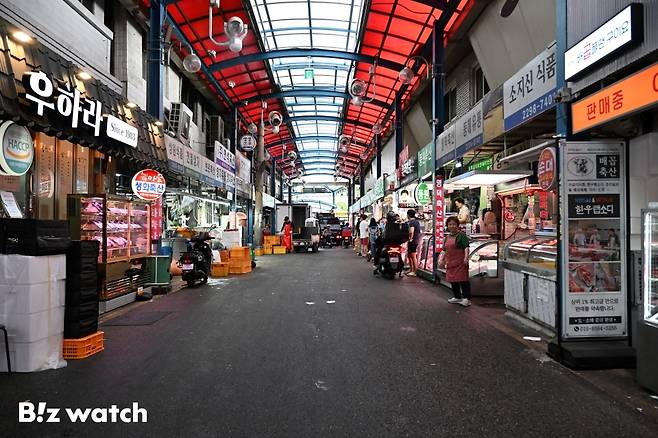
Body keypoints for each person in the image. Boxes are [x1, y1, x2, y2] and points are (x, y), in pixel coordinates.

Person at [439, 216, 471, 307]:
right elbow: (444, 250)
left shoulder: (462, 236)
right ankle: (457, 297)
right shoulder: (447, 237)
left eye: (454, 224)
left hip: (460, 262)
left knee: (463, 280)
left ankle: (466, 298)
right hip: (451, 262)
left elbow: (466, 247)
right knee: (453, 280)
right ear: (447, 226)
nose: (452, 226)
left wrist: (466, 258)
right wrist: (441, 260)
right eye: (450, 224)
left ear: (457, 225)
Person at [406, 209, 422, 277]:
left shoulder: (412, 222)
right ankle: (411, 269)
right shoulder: (416, 222)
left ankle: (414, 271)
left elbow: (411, 231)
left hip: (413, 241)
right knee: (409, 255)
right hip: (415, 240)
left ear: (408, 215)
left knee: (412, 255)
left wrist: (410, 238)